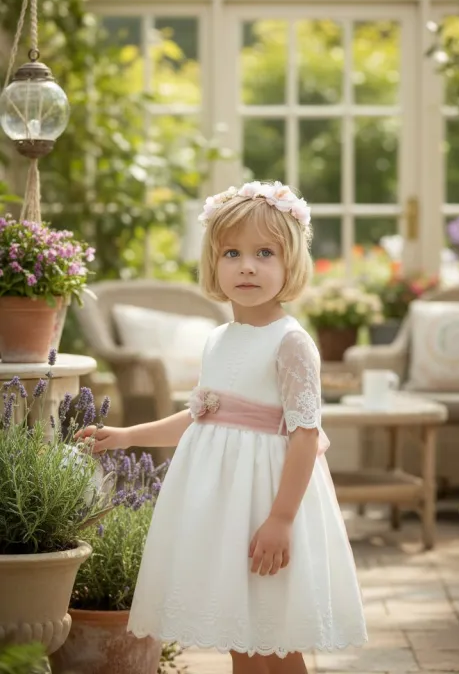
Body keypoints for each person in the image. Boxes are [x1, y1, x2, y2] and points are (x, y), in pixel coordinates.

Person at [77, 181, 367, 673]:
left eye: (264, 253)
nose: (247, 265)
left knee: (275, 634)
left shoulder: (291, 343)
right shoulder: (218, 339)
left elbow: (303, 437)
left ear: (290, 263)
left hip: (267, 502)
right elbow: (201, 417)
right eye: (231, 252)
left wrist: (280, 519)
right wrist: (128, 436)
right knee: (243, 635)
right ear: (214, 263)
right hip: (223, 507)